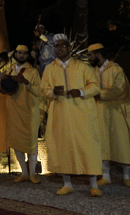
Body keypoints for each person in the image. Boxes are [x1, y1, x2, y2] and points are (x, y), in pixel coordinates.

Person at [40, 34, 102, 196]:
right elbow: (43, 90)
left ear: (69, 48)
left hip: (83, 114)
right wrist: (53, 91)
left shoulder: (82, 67)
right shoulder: (49, 68)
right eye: (56, 46)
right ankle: (67, 184)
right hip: (60, 115)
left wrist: (81, 91)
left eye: (62, 46)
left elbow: (95, 86)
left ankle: (94, 184)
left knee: (88, 146)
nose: (59, 48)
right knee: (63, 147)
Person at [87, 43, 130, 187]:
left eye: (90, 55)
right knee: (103, 145)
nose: (89, 59)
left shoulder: (116, 69)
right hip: (99, 113)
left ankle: (127, 176)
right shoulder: (93, 72)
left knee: (122, 143)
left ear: (98, 54)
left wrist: (99, 93)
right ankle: (105, 176)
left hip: (117, 112)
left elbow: (120, 89)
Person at [0, 45, 43, 183]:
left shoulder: (33, 72)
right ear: (15, 54)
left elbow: (40, 91)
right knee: (16, 142)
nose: (21, 55)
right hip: (14, 111)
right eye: (19, 53)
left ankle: (32, 174)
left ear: (28, 56)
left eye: (24, 54)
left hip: (30, 111)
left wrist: (25, 82)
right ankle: (24, 173)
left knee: (31, 142)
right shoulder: (9, 69)